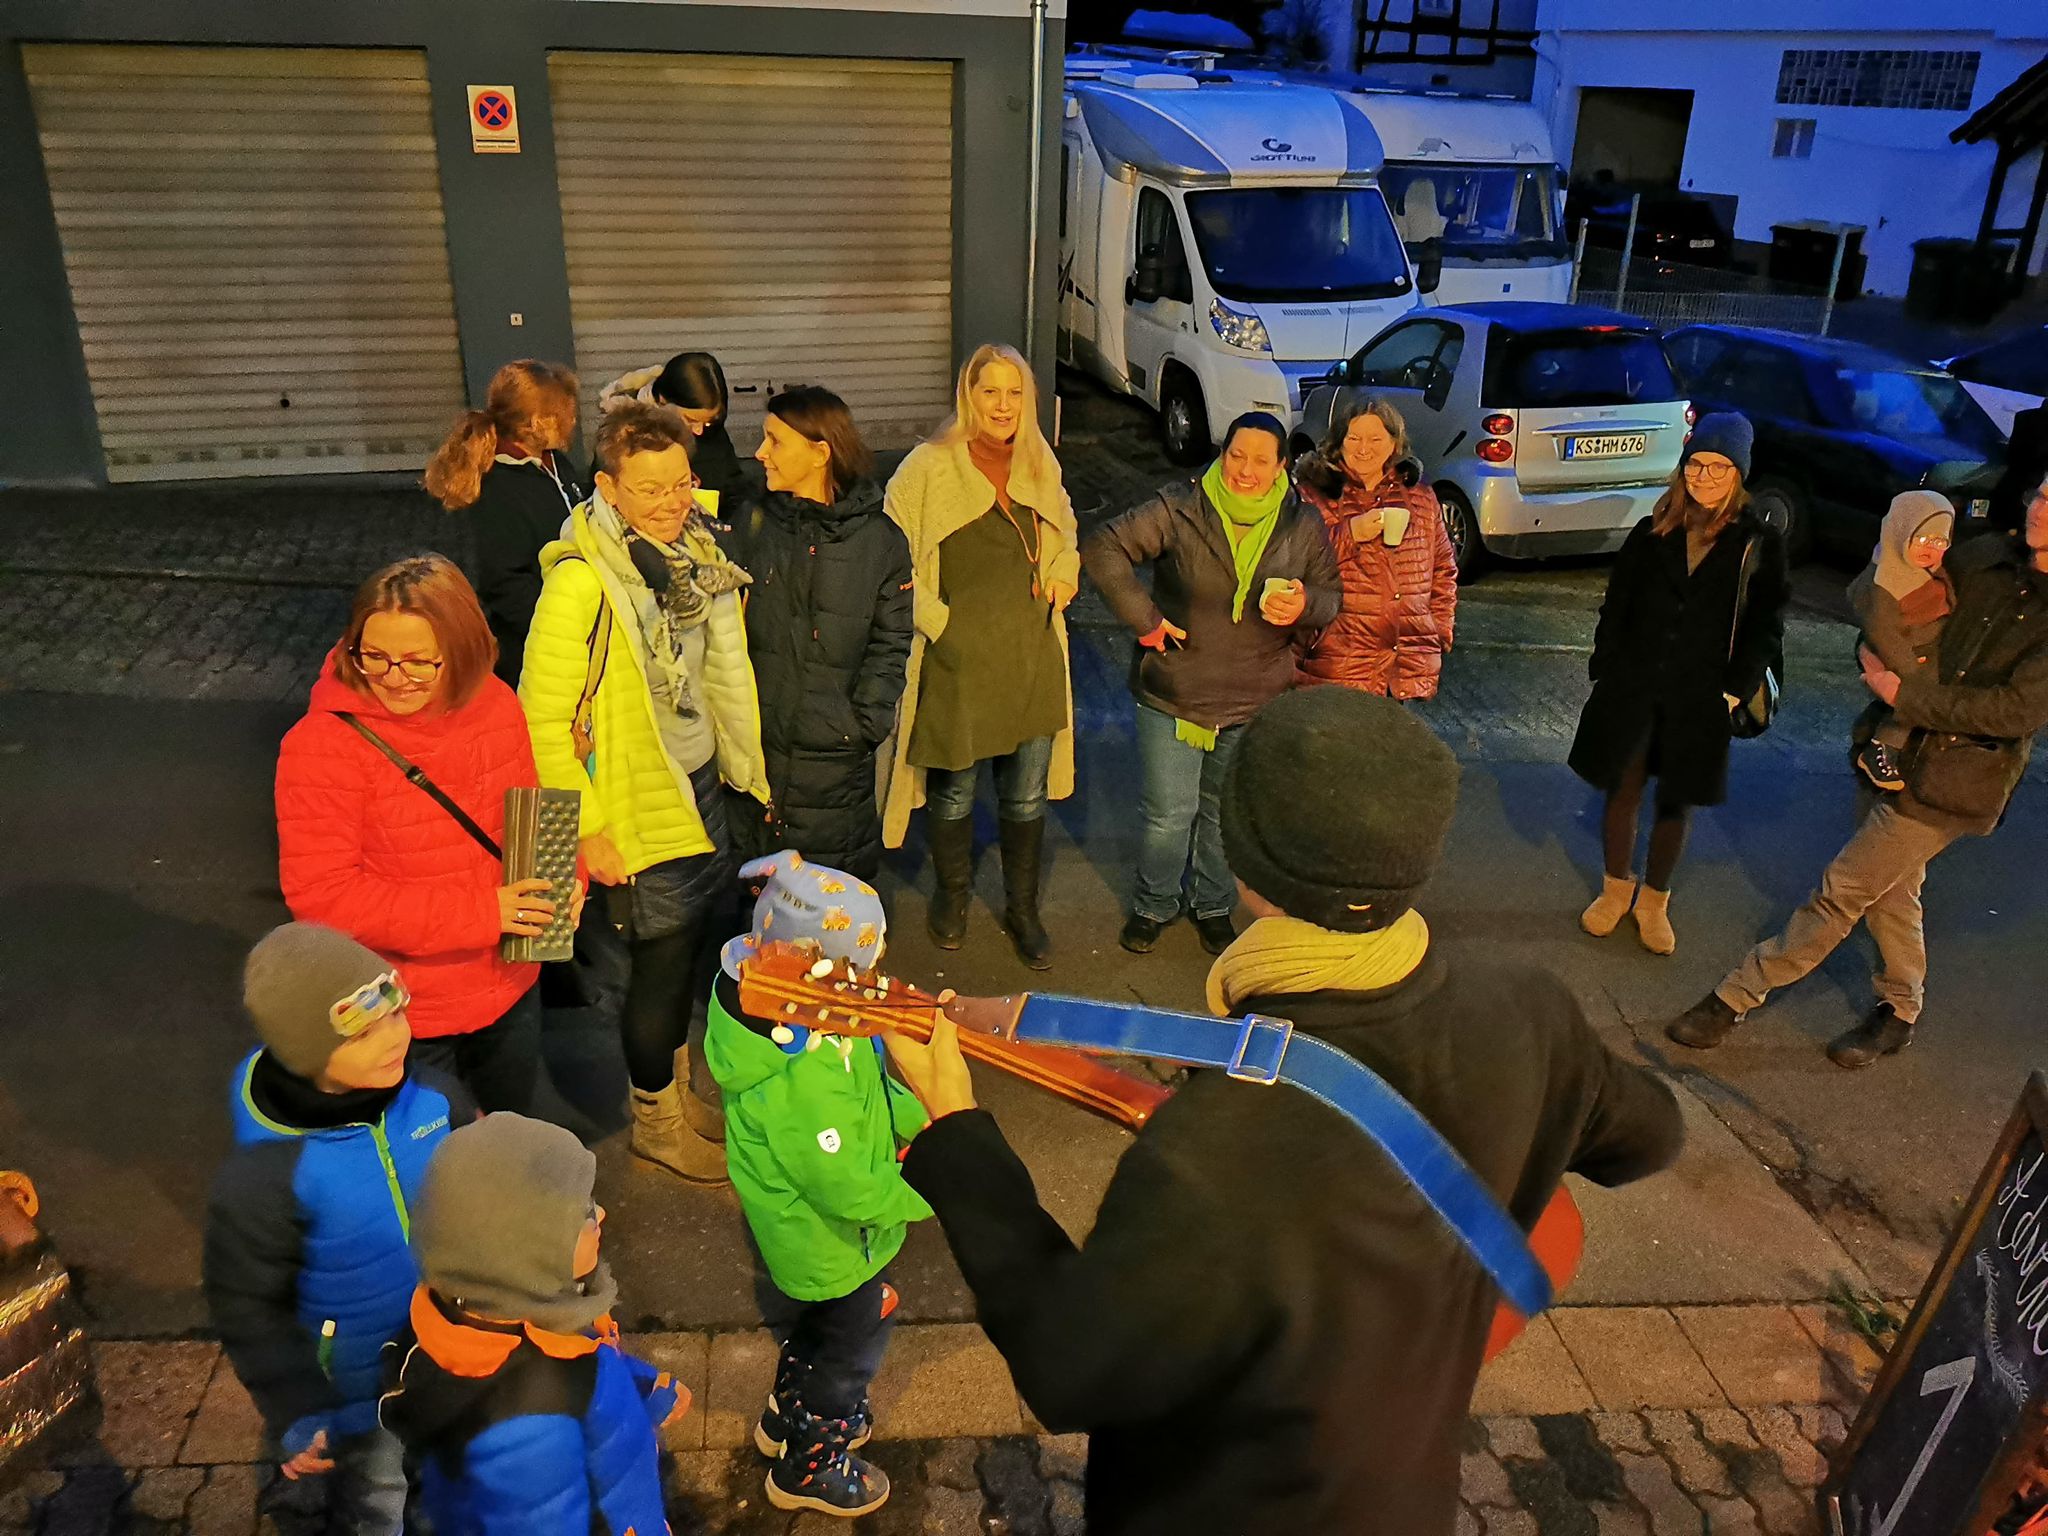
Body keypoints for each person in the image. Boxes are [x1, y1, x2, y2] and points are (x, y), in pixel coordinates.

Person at [882, 686, 1685, 1536]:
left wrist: (956, 1129)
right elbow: (1650, 1137)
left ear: (1243, 865)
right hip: (1405, 1496)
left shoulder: (1212, 1150)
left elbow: (1067, 1368)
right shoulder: (1531, 1010)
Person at [1665, 473, 2048, 1069]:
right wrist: (1874, 653)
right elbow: (1894, 605)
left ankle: (1734, 997)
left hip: (1955, 778)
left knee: (1841, 891)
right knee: (1892, 892)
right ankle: (1901, 1009)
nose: (2040, 508)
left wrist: (1905, 695)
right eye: (2041, 494)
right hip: (1888, 748)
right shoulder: (1985, 556)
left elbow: (2016, 712)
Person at [520, 400, 770, 1183]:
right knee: (659, 969)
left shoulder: (697, 554)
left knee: (686, 952)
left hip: (695, 785)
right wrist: (586, 829)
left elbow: (720, 671)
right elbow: (540, 722)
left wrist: (738, 766)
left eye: (680, 484)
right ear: (608, 486)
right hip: (632, 800)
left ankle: (680, 1097)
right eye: (650, 489)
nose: (671, 503)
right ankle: (656, 1124)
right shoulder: (582, 583)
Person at [203, 923, 474, 1535]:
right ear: (305, 1052)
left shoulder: (436, 1098)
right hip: (359, 1388)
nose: (395, 1037)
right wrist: (298, 1409)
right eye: (364, 1031)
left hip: (453, 1351)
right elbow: (247, 1306)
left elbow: (488, 1180)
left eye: (396, 1013)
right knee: (379, 1494)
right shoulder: (267, 1175)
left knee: (452, 1476)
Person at [275, 555, 571, 1114]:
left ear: (461, 651)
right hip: (404, 1013)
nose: (394, 677)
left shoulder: (496, 704)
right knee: (430, 1154)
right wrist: (485, 913)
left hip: (509, 987)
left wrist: (567, 882)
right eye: (374, 657)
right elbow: (323, 898)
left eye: (418, 663)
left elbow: (526, 822)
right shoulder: (321, 747)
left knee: (507, 1132)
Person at [703, 853, 931, 1518]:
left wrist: (914, 1119)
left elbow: (871, 1085)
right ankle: (809, 1464)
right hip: (830, 1240)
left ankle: (786, 1412)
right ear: (814, 968)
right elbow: (844, 1185)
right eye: (862, 967)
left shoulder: (804, 1016)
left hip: (818, 1233)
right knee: (850, 1349)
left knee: (821, 1329)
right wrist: (922, 1193)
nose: (873, 980)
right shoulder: (799, 1071)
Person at [1083, 411, 1341, 958]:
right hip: (1174, 689)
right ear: (1222, 455)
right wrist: (1145, 620)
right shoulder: (1181, 506)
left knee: (1225, 816)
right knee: (1168, 816)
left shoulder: (1302, 524)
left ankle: (1213, 905)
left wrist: (1303, 605)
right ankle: (1154, 903)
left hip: (1256, 698)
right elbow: (1103, 546)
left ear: (1282, 467)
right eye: (1236, 455)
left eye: (1261, 460)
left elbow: (1331, 597)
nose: (1245, 470)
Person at [380, 1113, 688, 1536]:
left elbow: (587, 1363)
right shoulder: (529, 1429)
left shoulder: (511, 1308)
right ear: (524, 1252)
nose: (601, 1213)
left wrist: (640, 1389)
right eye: (581, 1213)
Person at [881, 344, 1081, 969]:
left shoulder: (1039, 459)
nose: (1002, 405)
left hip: (1030, 654)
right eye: (990, 391)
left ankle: (1022, 911)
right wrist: (940, 625)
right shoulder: (927, 467)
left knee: (1026, 797)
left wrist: (1065, 571)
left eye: (1014, 392)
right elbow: (893, 561)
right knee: (953, 794)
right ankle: (953, 897)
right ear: (968, 395)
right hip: (957, 660)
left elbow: (1066, 532)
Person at [1568, 413, 1787, 955]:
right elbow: (1617, 603)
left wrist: (1733, 690)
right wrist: (1606, 663)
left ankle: (1654, 901)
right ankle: (1615, 889)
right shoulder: (1651, 531)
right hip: (1635, 686)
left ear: (1738, 474)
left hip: (1702, 693)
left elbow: (1766, 626)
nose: (1704, 475)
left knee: (1675, 799)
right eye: (1696, 463)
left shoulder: (1757, 544)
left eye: (1718, 466)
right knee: (1623, 788)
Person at [721, 386, 912, 877]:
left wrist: (861, 726)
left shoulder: (879, 541)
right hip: (753, 758)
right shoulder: (753, 523)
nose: (759, 453)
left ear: (820, 452)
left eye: (774, 441)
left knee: (827, 902)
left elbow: (892, 642)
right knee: (755, 902)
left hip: (835, 767)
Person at [424, 360, 583, 687]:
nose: (573, 421)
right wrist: (562, 627)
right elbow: (504, 583)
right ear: (537, 422)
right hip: (538, 650)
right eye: (565, 413)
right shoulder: (500, 488)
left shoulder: (553, 463)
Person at [1294, 396, 1458, 700]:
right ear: (1338, 442)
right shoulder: (1313, 496)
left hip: (1407, 667)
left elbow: (1444, 570)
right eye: (1354, 438)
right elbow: (1296, 561)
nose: (1364, 448)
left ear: (1394, 444)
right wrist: (1350, 533)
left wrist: (1438, 632)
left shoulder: (1421, 498)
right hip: (1339, 664)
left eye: (1375, 439)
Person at [1851, 490, 1955, 792]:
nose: (1930, 548)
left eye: (1940, 541)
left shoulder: (1927, 573)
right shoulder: (1886, 582)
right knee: (1915, 698)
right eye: (1921, 538)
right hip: (1906, 656)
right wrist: (1908, 671)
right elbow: (1884, 632)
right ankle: (1882, 747)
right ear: (1900, 532)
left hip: (1929, 650)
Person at [598, 350, 752, 509]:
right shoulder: (620, 437)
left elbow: (734, 487)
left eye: (707, 422)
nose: (699, 431)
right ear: (662, 400)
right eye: (690, 420)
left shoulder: (711, 431)